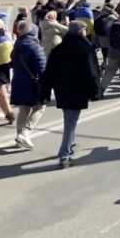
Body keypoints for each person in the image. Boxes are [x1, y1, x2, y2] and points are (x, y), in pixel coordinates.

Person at [41, 24, 100, 168]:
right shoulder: (85, 48)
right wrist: (95, 92)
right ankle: (64, 155)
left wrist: (46, 92)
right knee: (70, 124)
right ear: (81, 31)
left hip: (61, 90)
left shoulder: (58, 49)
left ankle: (71, 144)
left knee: (69, 119)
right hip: (78, 90)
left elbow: (48, 72)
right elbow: (92, 73)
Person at [10, 20, 47, 150]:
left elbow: (12, 62)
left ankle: (19, 136)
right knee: (40, 107)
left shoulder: (18, 44)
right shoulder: (34, 45)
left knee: (23, 109)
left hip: (19, 81)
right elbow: (42, 66)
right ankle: (26, 132)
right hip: (33, 82)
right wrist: (46, 83)